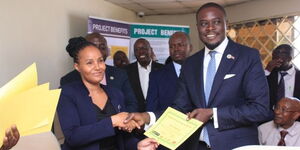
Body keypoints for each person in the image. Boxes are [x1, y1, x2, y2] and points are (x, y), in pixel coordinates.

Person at [125, 2, 271, 150]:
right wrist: (147, 117)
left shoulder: (247, 57)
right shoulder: (190, 63)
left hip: (235, 145)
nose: (210, 28)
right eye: (203, 23)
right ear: (197, 28)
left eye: (216, 22)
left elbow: (259, 109)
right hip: (196, 145)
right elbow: (179, 108)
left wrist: (213, 114)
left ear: (227, 24)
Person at [57, 37, 139, 150]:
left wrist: (138, 145)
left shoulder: (116, 94)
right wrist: (112, 121)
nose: (98, 67)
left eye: (100, 61)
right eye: (89, 63)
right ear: (77, 67)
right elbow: (73, 137)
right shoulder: (67, 94)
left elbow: (124, 138)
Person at [60, 32, 138, 112]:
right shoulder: (68, 81)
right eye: (92, 47)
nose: (98, 51)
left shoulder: (120, 75)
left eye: (102, 48)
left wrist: (124, 121)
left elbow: (131, 104)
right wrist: (111, 122)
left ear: (108, 51)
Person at [146, 32, 192, 111]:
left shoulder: (201, 72)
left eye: (180, 45)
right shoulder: (156, 76)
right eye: (172, 46)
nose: (176, 49)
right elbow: (151, 109)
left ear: (190, 48)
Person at [125, 38, 163, 112]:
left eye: (143, 48)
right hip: (135, 118)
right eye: (137, 49)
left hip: (157, 117)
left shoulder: (162, 69)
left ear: (150, 50)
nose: (140, 52)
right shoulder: (126, 71)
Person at [265, 44, 300, 109]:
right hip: (271, 116)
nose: (276, 61)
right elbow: (259, 90)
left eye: (280, 59)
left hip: (294, 116)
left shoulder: (298, 76)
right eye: (274, 58)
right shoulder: (270, 75)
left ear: (289, 58)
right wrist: (267, 70)